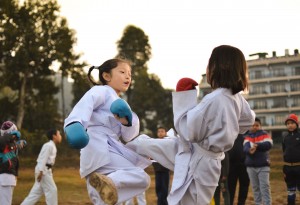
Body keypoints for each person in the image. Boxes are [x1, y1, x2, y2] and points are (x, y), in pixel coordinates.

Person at [127, 45, 255, 205]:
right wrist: (227, 128)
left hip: (200, 159)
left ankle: (119, 158)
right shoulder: (237, 99)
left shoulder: (214, 99)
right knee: (151, 145)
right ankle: (121, 158)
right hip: (204, 155)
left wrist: (183, 97)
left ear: (220, 67)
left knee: (190, 201)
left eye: (210, 64)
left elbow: (188, 132)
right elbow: (248, 121)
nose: (207, 69)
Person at [64, 59, 151, 205]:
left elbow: (128, 136)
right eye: (122, 72)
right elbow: (85, 105)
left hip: (110, 149)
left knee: (105, 200)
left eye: (130, 74)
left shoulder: (122, 103)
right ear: (107, 76)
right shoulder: (101, 90)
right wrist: (74, 123)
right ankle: (109, 182)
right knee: (141, 177)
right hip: (97, 144)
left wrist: (127, 122)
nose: (128, 77)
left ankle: (106, 183)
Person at [21, 128, 62, 205]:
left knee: (35, 194)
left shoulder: (52, 146)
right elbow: (42, 159)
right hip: (43, 171)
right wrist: (41, 171)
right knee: (52, 190)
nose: (60, 136)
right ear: (54, 136)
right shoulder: (48, 145)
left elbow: (48, 161)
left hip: (45, 170)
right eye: (59, 134)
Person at [243, 117, 273, 205]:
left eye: (257, 125)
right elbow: (245, 148)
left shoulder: (265, 134)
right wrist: (249, 150)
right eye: (253, 125)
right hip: (251, 167)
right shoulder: (247, 137)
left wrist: (257, 145)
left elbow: (269, 144)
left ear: (260, 126)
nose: (255, 127)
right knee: (255, 188)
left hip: (263, 166)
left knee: (265, 187)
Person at [0, 121, 26, 205]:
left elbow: (14, 159)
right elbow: (2, 142)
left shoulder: (10, 145)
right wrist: (11, 135)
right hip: (5, 176)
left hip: (9, 176)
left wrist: (15, 174)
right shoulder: (3, 142)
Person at [282, 114, 300, 205]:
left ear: (297, 124)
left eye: (292, 123)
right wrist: (284, 168)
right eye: (288, 123)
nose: (290, 125)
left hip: (299, 167)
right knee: (291, 191)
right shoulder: (285, 137)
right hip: (288, 169)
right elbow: (284, 152)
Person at [228, 134, 250, 205]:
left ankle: (241, 203)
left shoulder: (248, 134)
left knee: (244, 185)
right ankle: (229, 202)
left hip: (245, 165)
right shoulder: (230, 133)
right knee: (230, 186)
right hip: (231, 165)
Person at [152, 127, 170, 205]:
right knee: (158, 188)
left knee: (164, 189)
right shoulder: (155, 143)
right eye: (159, 131)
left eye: (162, 131)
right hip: (157, 170)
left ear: (165, 133)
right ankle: (160, 203)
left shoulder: (168, 142)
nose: (160, 133)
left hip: (165, 170)